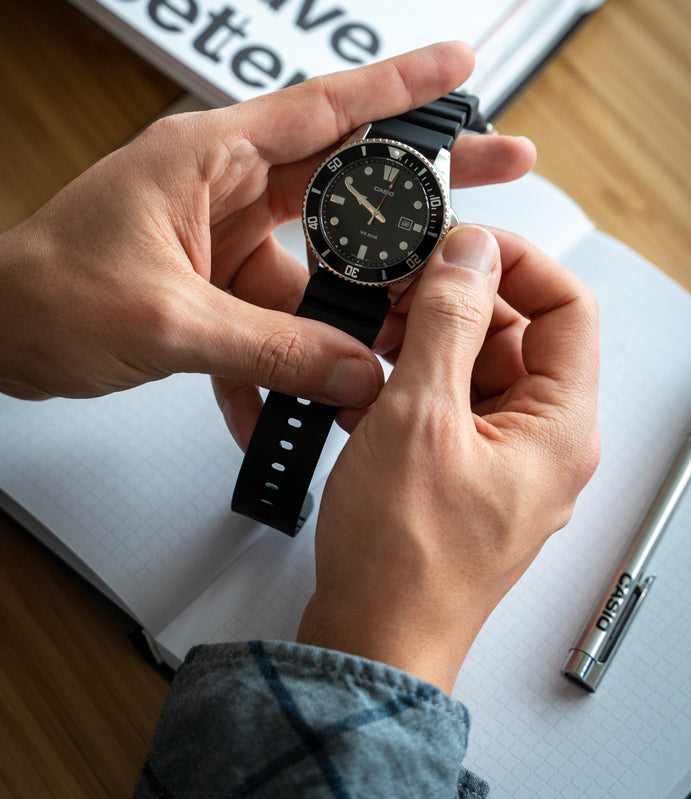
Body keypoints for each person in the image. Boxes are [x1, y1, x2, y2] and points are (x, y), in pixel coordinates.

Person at [0, 42, 600, 797]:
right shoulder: (349, 211)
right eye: (365, 200)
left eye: (398, 213)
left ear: (435, 232)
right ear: (325, 199)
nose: (380, 208)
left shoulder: (374, 204)